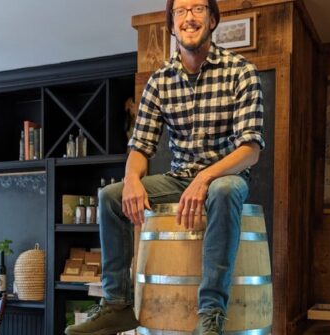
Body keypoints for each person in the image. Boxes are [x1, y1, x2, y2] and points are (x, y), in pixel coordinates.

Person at [65, 0, 264, 334]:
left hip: (227, 176)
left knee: (224, 188)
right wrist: (130, 179)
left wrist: (206, 176)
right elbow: (141, 146)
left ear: (212, 19)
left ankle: (210, 314)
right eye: (180, 11)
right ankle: (118, 304)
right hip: (178, 178)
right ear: (172, 25)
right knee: (109, 196)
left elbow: (250, 149)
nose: (189, 17)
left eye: (198, 8)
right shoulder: (159, 81)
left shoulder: (240, 71)